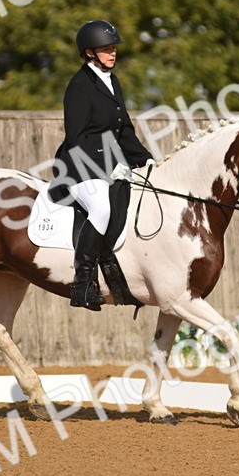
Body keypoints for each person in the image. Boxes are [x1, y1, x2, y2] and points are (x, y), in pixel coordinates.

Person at [51, 20, 153, 310]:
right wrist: (109, 166)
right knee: (101, 207)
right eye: (106, 49)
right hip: (77, 165)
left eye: (113, 48)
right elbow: (76, 136)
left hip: (104, 162)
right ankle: (82, 284)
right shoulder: (80, 86)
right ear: (89, 53)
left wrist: (146, 160)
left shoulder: (112, 82)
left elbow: (124, 131)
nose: (113, 53)